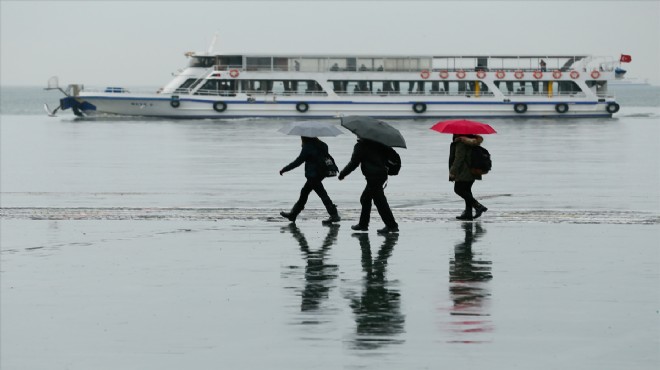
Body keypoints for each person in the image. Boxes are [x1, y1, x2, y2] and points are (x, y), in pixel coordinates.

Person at [338, 139, 399, 234]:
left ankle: (391, 226)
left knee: (379, 201)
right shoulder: (380, 143)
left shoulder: (360, 146)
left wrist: (343, 173)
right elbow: (392, 156)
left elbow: (354, 163)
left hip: (373, 177)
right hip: (381, 175)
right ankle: (363, 224)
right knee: (366, 199)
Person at [280, 136, 340, 225]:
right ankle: (293, 214)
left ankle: (334, 215)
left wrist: (285, 169)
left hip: (313, 174)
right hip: (321, 173)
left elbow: (298, 161)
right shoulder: (323, 145)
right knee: (305, 192)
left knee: (321, 194)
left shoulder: (307, 147)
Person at [449, 134, 488, 220]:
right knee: (467, 191)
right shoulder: (472, 142)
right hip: (473, 171)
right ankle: (468, 213)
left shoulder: (461, 143)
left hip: (463, 171)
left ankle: (478, 206)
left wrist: (452, 171)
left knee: (458, 189)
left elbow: (459, 159)